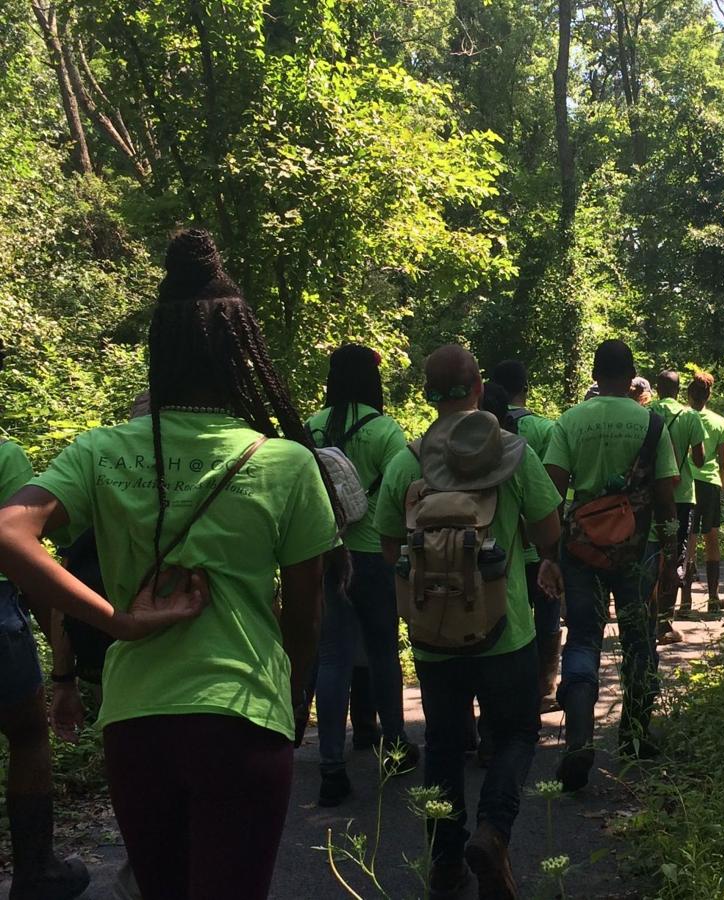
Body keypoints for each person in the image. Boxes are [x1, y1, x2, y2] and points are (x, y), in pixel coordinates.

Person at [0, 228, 339, 900]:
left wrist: (117, 623)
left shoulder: (101, 451)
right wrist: (294, 707)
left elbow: (12, 530)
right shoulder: (285, 463)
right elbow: (303, 620)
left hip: (136, 722)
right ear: (240, 355)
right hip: (243, 717)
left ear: (162, 350)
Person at [378, 345, 563, 900]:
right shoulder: (512, 453)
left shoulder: (408, 461)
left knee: (442, 742)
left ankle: (445, 863)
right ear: (480, 386)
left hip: (435, 637)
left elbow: (390, 547)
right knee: (517, 732)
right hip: (506, 631)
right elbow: (549, 532)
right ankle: (494, 831)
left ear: (428, 394)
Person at [543, 340, 678, 792]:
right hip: (637, 547)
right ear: (631, 374)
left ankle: (579, 738)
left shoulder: (570, 420)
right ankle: (636, 737)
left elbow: (552, 489)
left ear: (595, 374)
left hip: (581, 549)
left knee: (583, 636)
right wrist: (671, 548)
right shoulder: (651, 422)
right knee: (639, 638)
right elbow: (666, 490)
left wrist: (549, 553)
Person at [307, 344, 417, 807]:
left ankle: (331, 762)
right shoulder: (384, 430)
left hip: (327, 553)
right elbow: (403, 491)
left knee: (332, 656)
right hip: (375, 553)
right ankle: (394, 746)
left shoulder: (311, 427)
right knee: (382, 650)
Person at [0, 435, 90, 900]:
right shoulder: (4, 453)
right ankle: (35, 871)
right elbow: (23, 556)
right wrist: (64, 667)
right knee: (29, 734)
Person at [491, 360, 561, 711]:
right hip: (540, 548)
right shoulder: (545, 429)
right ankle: (545, 686)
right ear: (526, 387)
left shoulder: (477, 432)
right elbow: (551, 491)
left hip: (499, 550)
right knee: (547, 613)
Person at [647, 371, 705, 642]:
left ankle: (648, 614)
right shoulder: (690, 417)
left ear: (657, 388)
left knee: (651, 552)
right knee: (674, 556)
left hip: (651, 496)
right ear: (680, 389)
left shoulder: (646, 413)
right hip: (681, 496)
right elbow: (700, 459)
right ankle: (664, 622)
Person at [687, 372, 724, 615]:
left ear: (688, 393)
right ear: (709, 395)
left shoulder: (683, 417)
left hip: (687, 484)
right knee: (711, 538)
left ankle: (684, 602)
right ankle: (713, 597)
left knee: (689, 539)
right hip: (711, 484)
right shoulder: (719, 422)